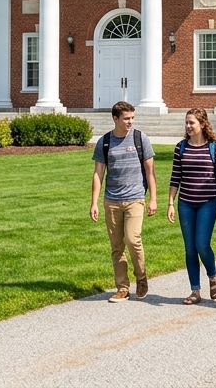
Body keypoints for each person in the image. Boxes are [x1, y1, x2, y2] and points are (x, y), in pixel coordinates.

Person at [90, 101, 157, 302]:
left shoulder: (139, 138)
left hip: (135, 198)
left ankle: (141, 277)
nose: (130, 122)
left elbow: (150, 171)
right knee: (117, 246)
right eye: (126, 118)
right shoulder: (105, 142)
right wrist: (94, 202)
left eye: (132, 118)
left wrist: (153, 198)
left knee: (132, 239)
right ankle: (122, 287)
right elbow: (98, 173)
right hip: (112, 200)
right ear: (115, 119)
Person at [167, 108, 216, 304]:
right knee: (190, 248)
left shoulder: (215, 147)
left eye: (191, 122)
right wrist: (170, 203)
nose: (188, 126)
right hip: (185, 203)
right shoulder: (181, 147)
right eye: (186, 123)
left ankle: (213, 276)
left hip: (207, 203)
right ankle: (195, 291)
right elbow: (175, 176)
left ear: (202, 124)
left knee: (202, 244)